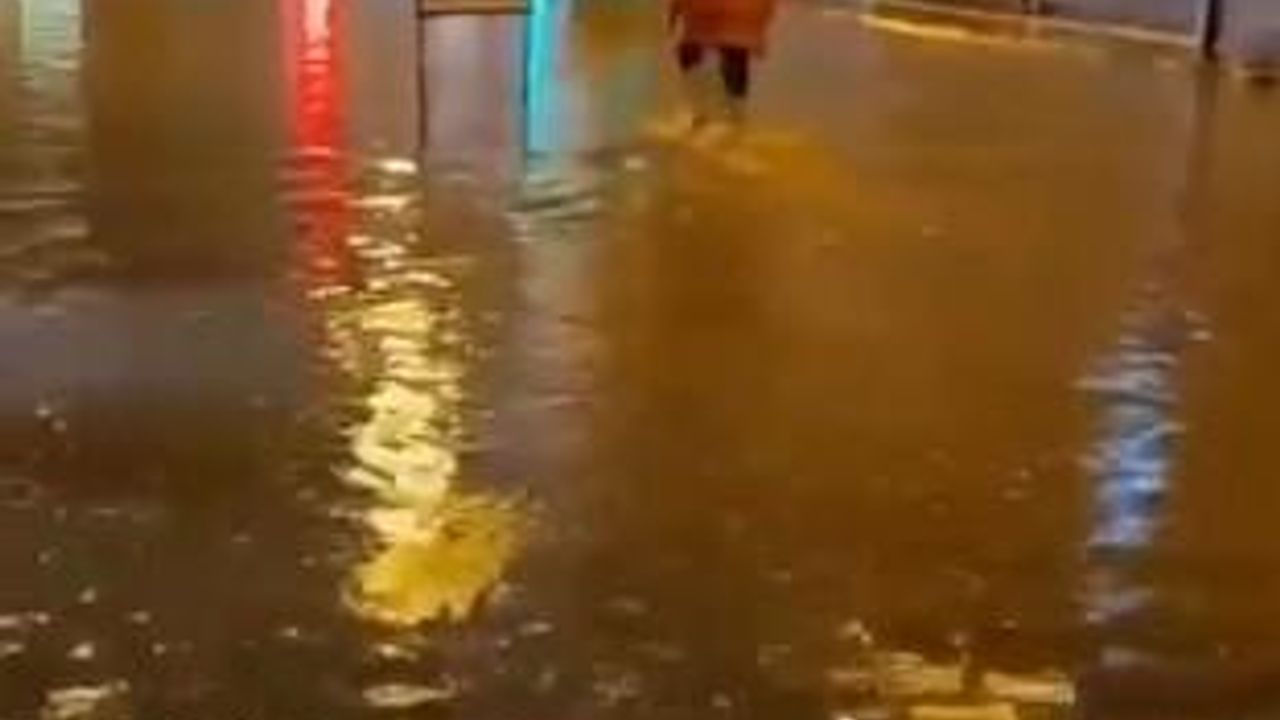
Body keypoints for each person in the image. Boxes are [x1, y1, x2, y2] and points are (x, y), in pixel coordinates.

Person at [665, 0, 779, 135]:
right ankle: (726, 112)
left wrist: (672, 18)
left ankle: (718, 111)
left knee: (727, 54)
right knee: (731, 54)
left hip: (721, 18)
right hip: (729, 19)